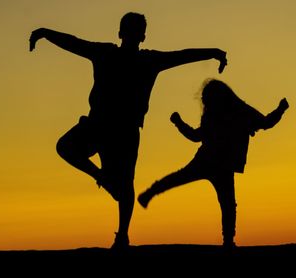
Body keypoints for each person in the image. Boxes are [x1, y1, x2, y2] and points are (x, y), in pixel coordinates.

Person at [29, 12, 227, 250]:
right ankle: (104, 185)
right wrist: (44, 33)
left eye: (136, 31)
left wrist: (214, 52)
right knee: (68, 149)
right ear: (123, 34)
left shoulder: (143, 60)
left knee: (123, 184)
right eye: (131, 30)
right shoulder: (109, 54)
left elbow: (182, 56)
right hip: (100, 125)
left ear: (140, 36)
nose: (133, 35)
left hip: (122, 131)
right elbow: (73, 42)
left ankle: (122, 234)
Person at [137, 79, 289, 249]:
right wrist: (179, 123)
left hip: (215, 163)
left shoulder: (236, 111)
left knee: (224, 201)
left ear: (217, 97)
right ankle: (228, 241)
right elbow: (265, 123)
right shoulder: (221, 113)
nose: (204, 101)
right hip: (214, 163)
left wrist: (280, 109)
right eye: (204, 98)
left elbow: (265, 123)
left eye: (206, 98)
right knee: (226, 203)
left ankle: (228, 241)